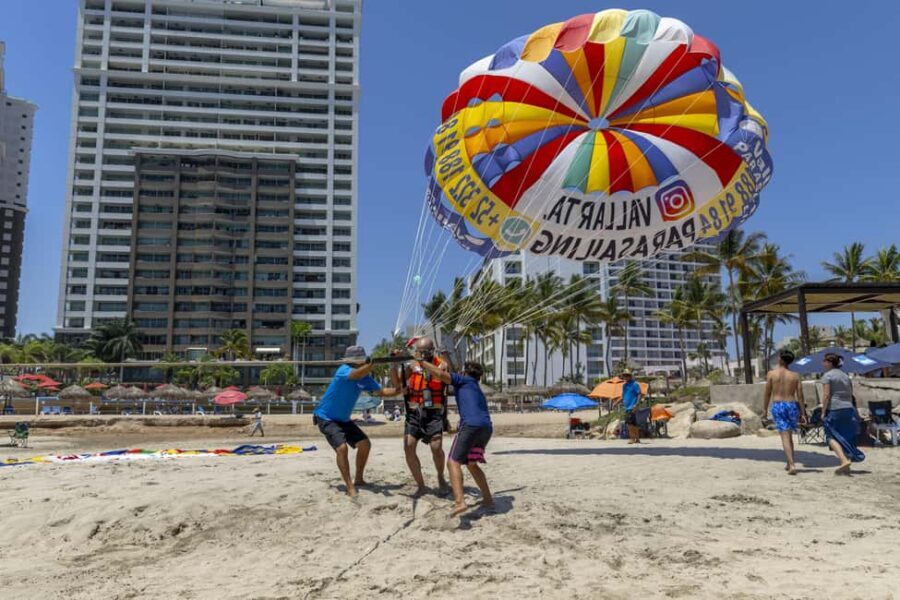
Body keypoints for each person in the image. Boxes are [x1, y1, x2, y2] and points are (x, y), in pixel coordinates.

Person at [314, 346, 400, 497]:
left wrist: (399, 390)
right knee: (341, 448)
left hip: (343, 419)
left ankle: (359, 479)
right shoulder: (344, 370)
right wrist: (372, 364)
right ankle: (350, 487)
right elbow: (355, 375)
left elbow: (382, 392)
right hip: (326, 417)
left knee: (365, 444)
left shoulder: (365, 377)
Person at [418, 359, 493, 517]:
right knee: (472, 464)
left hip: (471, 426)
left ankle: (459, 502)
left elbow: (440, 374)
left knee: (453, 462)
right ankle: (488, 499)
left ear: (465, 373)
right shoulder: (476, 388)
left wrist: (422, 362)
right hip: (486, 428)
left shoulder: (463, 380)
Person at [392, 337, 450, 495]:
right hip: (414, 412)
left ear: (431, 351)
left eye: (424, 352)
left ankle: (440, 476)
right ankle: (421, 485)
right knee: (408, 447)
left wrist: (422, 363)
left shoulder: (441, 364)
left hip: (434, 413)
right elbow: (397, 383)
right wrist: (395, 363)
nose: (421, 355)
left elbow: (444, 376)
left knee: (436, 447)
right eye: (418, 351)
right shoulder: (412, 366)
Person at [821, 353, 865, 475]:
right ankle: (847, 464)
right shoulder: (845, 376)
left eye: (824, 361)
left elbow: (826, 395)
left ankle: (843, 460)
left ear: (830, 362)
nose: (823, 363)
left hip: (834, 408)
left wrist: (823, 411)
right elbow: (851, 395)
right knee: (845, 435)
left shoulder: (827, 376)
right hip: (848, 408)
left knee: (830, 436)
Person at [763, 350, 806, 474]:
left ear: (781, 359)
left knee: (785, 436)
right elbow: (801, 396)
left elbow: (767, 393)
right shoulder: (795, 375)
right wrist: (803, 413)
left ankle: (792, 464)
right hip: (792, 405)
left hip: (778, 405)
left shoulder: (771, 374)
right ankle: (789, 462)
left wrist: (765, 409)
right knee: (789, 435)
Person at [621, 371, 642, 444]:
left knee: (629, 423)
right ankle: (637, 439)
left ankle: (632, 438)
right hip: (627, 407)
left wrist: (637, 404)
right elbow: (623, 396)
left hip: (632, 406)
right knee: (633, 423)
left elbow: (639, 394)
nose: (625, 377)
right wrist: (616, 402)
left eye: (627, 376)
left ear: (630, 376)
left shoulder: (635, 384)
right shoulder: (624, 386)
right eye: (624, 376)